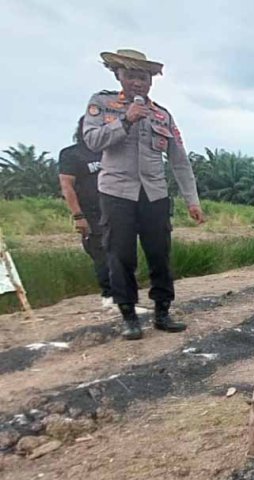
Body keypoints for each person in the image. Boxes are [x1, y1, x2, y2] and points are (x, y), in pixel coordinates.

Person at [83, 49, 205, 340]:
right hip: (116, 193)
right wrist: (125, 121)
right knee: (120, 255)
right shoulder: (102, 104)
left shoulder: (162, 115)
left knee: (160, 254)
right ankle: (129, 316)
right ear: (118, 76)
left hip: (154, 194)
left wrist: (192, 201)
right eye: (131, 76)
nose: (138, 82)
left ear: (151, 81)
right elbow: (91, 141)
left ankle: (162, 311)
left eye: (143, 77)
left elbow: (179, 160)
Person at [58, 116, 112, 308]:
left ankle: (124, 293)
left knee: (121, 252)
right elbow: (67, 186)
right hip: (91, 212)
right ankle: (109, 295)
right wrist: (78, 216)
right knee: (100, 252)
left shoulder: (111, 151)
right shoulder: (72, 154)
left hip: (115, 208)